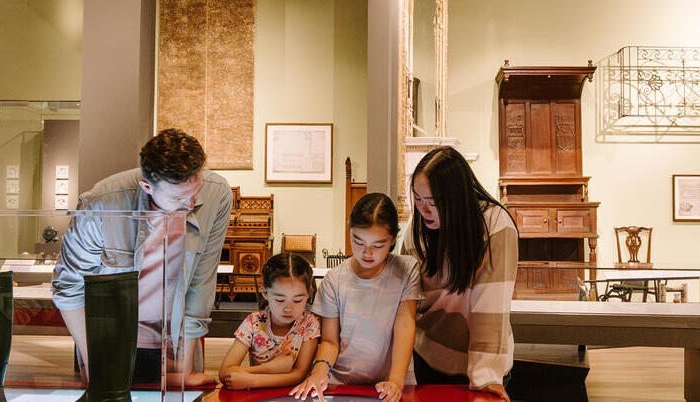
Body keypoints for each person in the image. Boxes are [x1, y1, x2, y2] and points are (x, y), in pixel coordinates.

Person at [53, 129, 231, 388]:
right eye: (179, 198)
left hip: (176, 342)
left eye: (196, 190)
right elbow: (69, 288)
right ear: (147, 187)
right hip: (108, 343)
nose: (192, 204)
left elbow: (202, 281)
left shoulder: (217, 194)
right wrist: (94, 363)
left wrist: (186, 365)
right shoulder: (101, 204)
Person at [401, 146, 517, 399]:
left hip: (481, 364)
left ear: (457, 197)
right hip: (427, 356)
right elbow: (406, 302)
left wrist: (485, 374)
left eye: (433, 202)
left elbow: (491, 305)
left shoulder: (494, 224)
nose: (424, 210)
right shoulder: (415, 232)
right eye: (418, 199)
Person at [292, 193, 422, 402]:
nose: (367, 252)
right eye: (358, 241)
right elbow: (330, 341)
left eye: (378, 245)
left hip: (394, 383)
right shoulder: (335, 280)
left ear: (393, 240)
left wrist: (396, 381)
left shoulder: (406, 270)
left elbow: (405, 326)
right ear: (350, 230)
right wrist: (318, 373)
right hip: (342, 384)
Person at [217, 253, 322, 390]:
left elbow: (299, 375)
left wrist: (252, 380)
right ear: (265, 292)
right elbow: (224, 373)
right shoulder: (253, 322)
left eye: (297, 300)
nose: (288, 308)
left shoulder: (309, 323)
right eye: (279, 300)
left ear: (309, 293)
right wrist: (270, 368)